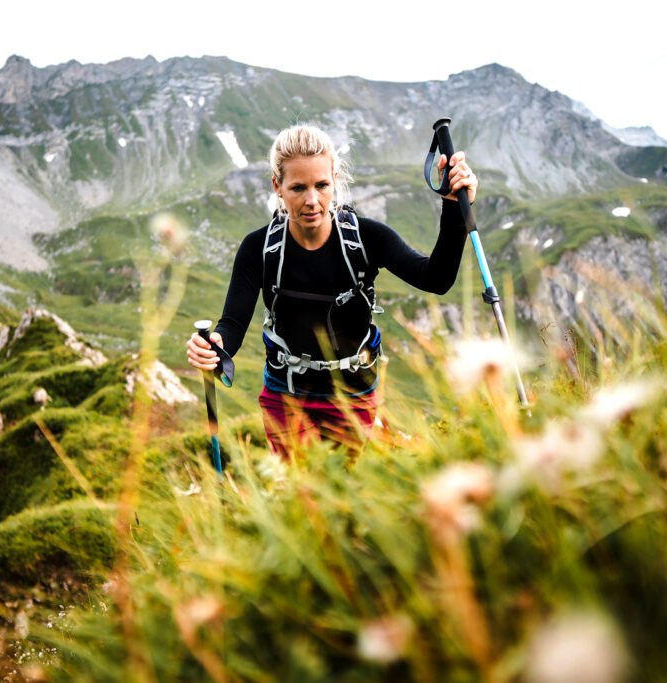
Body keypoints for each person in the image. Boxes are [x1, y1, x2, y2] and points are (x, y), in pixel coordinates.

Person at [186, 124, 476, 459]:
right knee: (303, 497)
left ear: (334, 179)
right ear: (277, 187)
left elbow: (436, 279)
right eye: (298, 188)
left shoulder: (366, 238)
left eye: (322, 185)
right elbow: (232, 326)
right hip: (286, 397)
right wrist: (215, 346)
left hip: (354, 397)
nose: (312, 200)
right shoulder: (259, 248)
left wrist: (454, 206)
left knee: (348, 495)